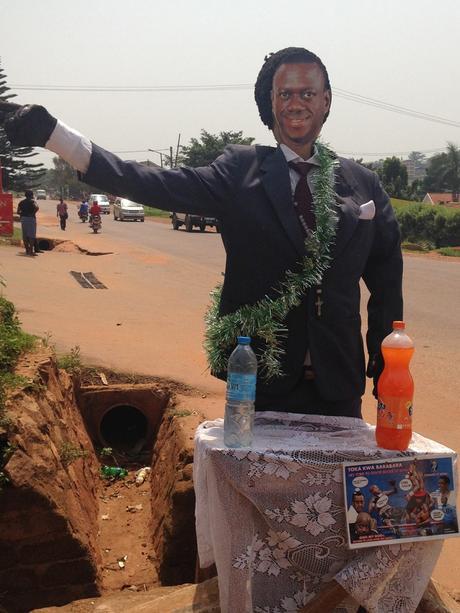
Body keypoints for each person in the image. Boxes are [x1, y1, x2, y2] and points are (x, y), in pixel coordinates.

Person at [0, 46, 403, 417]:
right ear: (271, 103)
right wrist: (57, 137)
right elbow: (150, 182)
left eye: (308, 93)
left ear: (326, 100)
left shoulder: (362, 183)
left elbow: (386, 283)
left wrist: (386, 368)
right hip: (259, 384)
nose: (296, 104)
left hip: (340, 388)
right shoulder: (238, 172)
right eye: (285, 94)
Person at [17, 190, 39, 256]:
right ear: (31, 195)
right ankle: (31, 251)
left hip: (23, 219)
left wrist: (23, 214)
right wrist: (32, 213)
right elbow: (37, 207)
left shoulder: (21, 202)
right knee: (32, 235)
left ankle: (27, 250)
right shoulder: (33, 202)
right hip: (31, 219)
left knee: (25, 235)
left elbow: (18, 212)